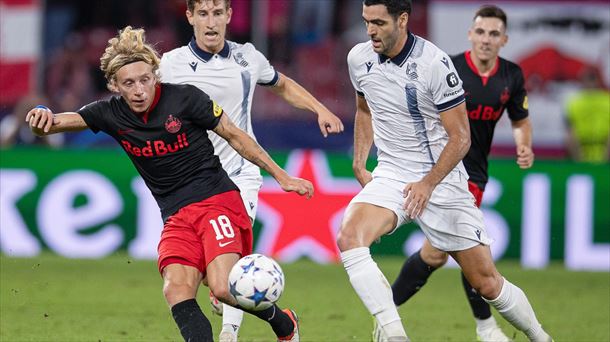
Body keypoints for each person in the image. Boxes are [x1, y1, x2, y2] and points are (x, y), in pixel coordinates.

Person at [26, 26, 311, 342]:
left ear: (155, 76)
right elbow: (52, 124)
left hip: (217, 201)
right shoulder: (110, 113)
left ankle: (284, 323)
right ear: (114, 85)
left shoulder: (185, 99)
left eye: (145, 80)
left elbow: (236, 136)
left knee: (222, 288)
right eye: (129, 83)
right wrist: (40, 116)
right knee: (175, 288)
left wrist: (281, 176)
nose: (139, 90)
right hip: (175, 215)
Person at [337, 1, 552, 341]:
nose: (370, 31)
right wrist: (359, 162)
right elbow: (364, 109)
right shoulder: (358, 59)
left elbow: (461, 137)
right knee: (350, 236)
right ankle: (393, 334)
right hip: (392, 174)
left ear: (402, 19)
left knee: (486, 283)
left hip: (443, 180)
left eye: (378, 22)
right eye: (366, 22)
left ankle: (540, 336)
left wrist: (427, 183)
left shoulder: (434, 63)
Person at [159, 1, 344, 340]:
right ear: (190, 17)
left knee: (229, 271)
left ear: (229, 16)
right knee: (202, 277)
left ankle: (229, 334)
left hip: (238, 177)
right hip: (191, 184)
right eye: (203, 14)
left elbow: (283, 85)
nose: (211, 22)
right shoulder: (169, 65)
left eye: (218, 13)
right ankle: (281, 321)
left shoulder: (248, 58)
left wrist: (319, 108)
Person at [389, 5, 535, 341]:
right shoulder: (448, 67)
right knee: (449, 251)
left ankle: (387, 314)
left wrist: (523, 144)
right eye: (480, 32)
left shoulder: (511, 76)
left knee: (438, 254)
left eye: (493, 34)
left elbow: (520, 120)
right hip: (435, 168)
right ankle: (484, 327)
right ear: (470, 34)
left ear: (504, 40)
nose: (486, 39)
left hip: (472, 175)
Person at [564, 67, 610, 162]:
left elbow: (571, 135)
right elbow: (571, 135)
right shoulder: (607, 100)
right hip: (599, 150)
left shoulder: (574, 103)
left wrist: (578, 159)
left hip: (584, 151)